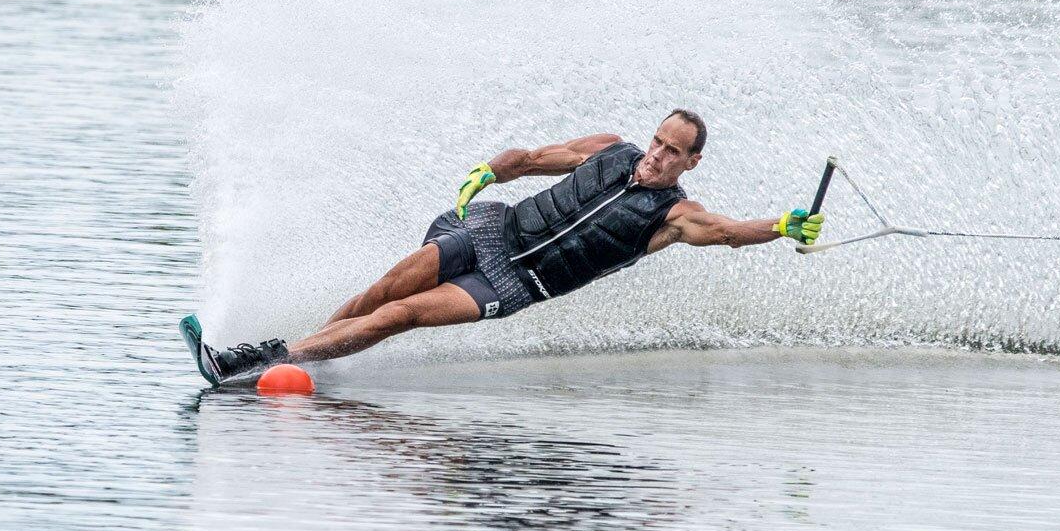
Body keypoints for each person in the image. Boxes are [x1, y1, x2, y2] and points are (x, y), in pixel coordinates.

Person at [182, 109, 824, 384]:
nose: (657, 156)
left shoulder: (675, 214)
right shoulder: (610, 149)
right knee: (384, 292)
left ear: (692, 162)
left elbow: (730, 234)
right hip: (493, 230)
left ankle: (255, 359)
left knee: (400, 316)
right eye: (658, 142)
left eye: (673, 152)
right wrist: (485, 173)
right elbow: (531, 159)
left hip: (516, 284)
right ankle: (309, 354)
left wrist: (784, 224)